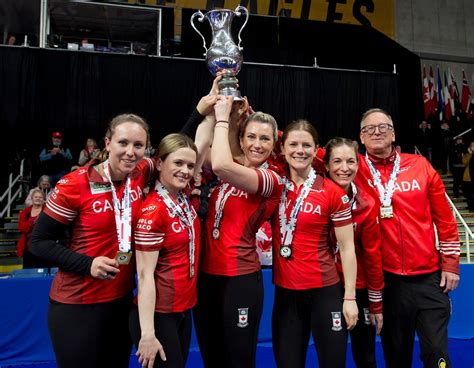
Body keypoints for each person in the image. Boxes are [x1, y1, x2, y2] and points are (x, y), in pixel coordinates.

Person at [30, 113, 155, 368]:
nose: (130, 152)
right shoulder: (73, 185)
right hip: (78, 305)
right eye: (123, 143)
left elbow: (177, 147)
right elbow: (39, 242)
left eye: (138, 145)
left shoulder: (139, 173)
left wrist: (204, 111)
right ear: (107, 143)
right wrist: (88, 264)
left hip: (119, 303)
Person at [355, 108, 460, 367]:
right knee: (396, 354)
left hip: (428, 278)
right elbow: (303, 148)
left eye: (383, 127)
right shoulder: (352, 167)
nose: (377, 131)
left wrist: (450, 263)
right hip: (388, 282)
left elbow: (445, 219)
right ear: (361, 137)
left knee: (437, 352)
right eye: (370, 128)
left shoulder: (419, 165)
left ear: (393, 133)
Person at [193, 96, 283, 368]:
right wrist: (225, 115)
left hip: (240, 280)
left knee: (239, 360)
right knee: (212, 356)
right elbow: (206, 151)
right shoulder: (237, 165)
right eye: (251, 137)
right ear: (242, 140)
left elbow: (221, 163)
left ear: (274, 144)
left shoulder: (271, 179)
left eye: (265, 139)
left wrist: (222, 119)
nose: (257, 144)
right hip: (206, 277)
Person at [270, 121, 358, 368]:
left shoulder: (333, 192)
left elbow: (347, 248)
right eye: (293, 144)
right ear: (283, 148)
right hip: (286, 296)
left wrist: (349, 298)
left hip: (325, 292)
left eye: (306, 145)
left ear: (316, 149)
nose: (300, 150)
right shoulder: (273, 185)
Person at [129, 133, 200, 368]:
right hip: (160, 314)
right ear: (159, 163)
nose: (186, 171)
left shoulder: (181, 198)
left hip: (183, 308)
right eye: (178, 163)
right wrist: (147, 334)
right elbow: (144, 274)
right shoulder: (153, 211)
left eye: (190, 165)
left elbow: (203, 144)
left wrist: (216, 112)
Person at [325, 137, 384, 368]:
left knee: (366, 356)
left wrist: (376, 304)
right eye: (337, 161)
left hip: (359, 289)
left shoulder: (366, 204)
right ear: (327, 165)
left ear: (358, 166)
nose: (344, 168)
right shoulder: (315, 197)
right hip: (326, 287)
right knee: (332, 354)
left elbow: (373, 255)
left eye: (351, 161)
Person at [18, 188, 49, 268]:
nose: (38, 198)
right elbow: (22, 228)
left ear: (43, 199)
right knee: (27, 272)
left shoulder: (48, 210)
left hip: (44, 247)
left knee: (43, 270)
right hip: (28, 248)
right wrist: (33, 223)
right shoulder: (25, 212)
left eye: (40, 197)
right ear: (32, 198)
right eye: (36, 197)